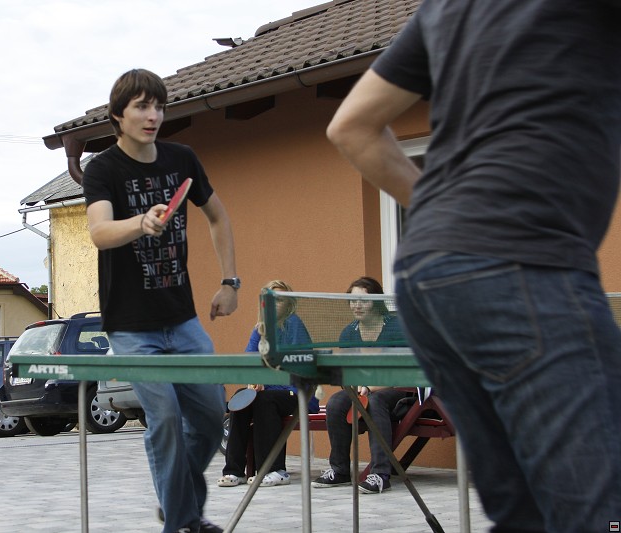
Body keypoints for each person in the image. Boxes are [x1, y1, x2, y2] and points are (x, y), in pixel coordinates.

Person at [325, 2, 621, 532]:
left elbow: (351, 126)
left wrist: (444, 217)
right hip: (525, 261)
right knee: (593, 510)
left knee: (523, 510)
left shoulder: (447, 8)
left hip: (428, 275)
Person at [82, 68, 240, 533]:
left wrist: (230, 282)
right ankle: (183, 522)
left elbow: (218, 217)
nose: (153, 116)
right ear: (118, 115)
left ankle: (177, 507)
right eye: (142, 107)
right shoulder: (103, 169)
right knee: (166, 418)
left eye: (159, 107)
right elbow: (99, 232)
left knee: (210, 419)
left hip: (183, 319)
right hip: (131, 326)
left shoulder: (181, 158)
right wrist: (140, 223)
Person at [311, 276, 411, 494]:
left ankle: (380, 475)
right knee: (336, 403)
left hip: (401, 390)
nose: (356, 305)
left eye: (363, 300)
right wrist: (354, 384)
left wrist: (373, 386)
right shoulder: (349, 333)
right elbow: (348, 370)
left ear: (376, 301)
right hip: (364, 390)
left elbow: (405, 371)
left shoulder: (397, 328)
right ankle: (339, 470)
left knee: (375, 401)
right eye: (352, 300)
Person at [218, 280, 320, 488]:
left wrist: (266, 382)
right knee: (241, 397)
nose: (274, 304)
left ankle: (275, 470)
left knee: (265, 401)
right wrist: (253, 381)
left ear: (288, 303)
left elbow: (297, 367)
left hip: (298, 393)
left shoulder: (294, 324)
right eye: (270, 299)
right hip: (270, 392)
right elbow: (250, 360)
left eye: (280, 299)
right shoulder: (260, 329)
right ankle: (234, 471)